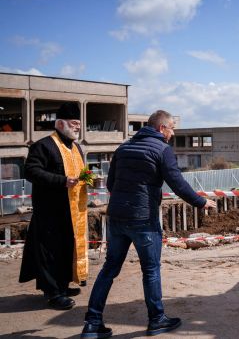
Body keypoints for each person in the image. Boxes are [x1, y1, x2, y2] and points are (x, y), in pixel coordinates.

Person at [82, 110, 216, 338]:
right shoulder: (162, 150)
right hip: (143, 219)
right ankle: (156, 320)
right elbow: (177, 184)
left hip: (116, 217)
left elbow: (111, 184)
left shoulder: (123, 148)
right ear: (161, 128)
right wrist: (202, 202)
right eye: (172, 127)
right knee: (151, 270)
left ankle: (92, 324)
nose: (173, 133)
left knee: (109, 269)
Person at [19, 101, 89, 310]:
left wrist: (88, 177)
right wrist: (62, 181)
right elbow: (31, 171)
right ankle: (53, 293)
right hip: (51, 211)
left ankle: (63, 286)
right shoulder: (43, 146)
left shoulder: (76, 147)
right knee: (50, 253)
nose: (78, 126)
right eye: (74, 123)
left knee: (67, 250)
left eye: (79, 123)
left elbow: (78, 173)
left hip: (72, 211)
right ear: (60, 124)